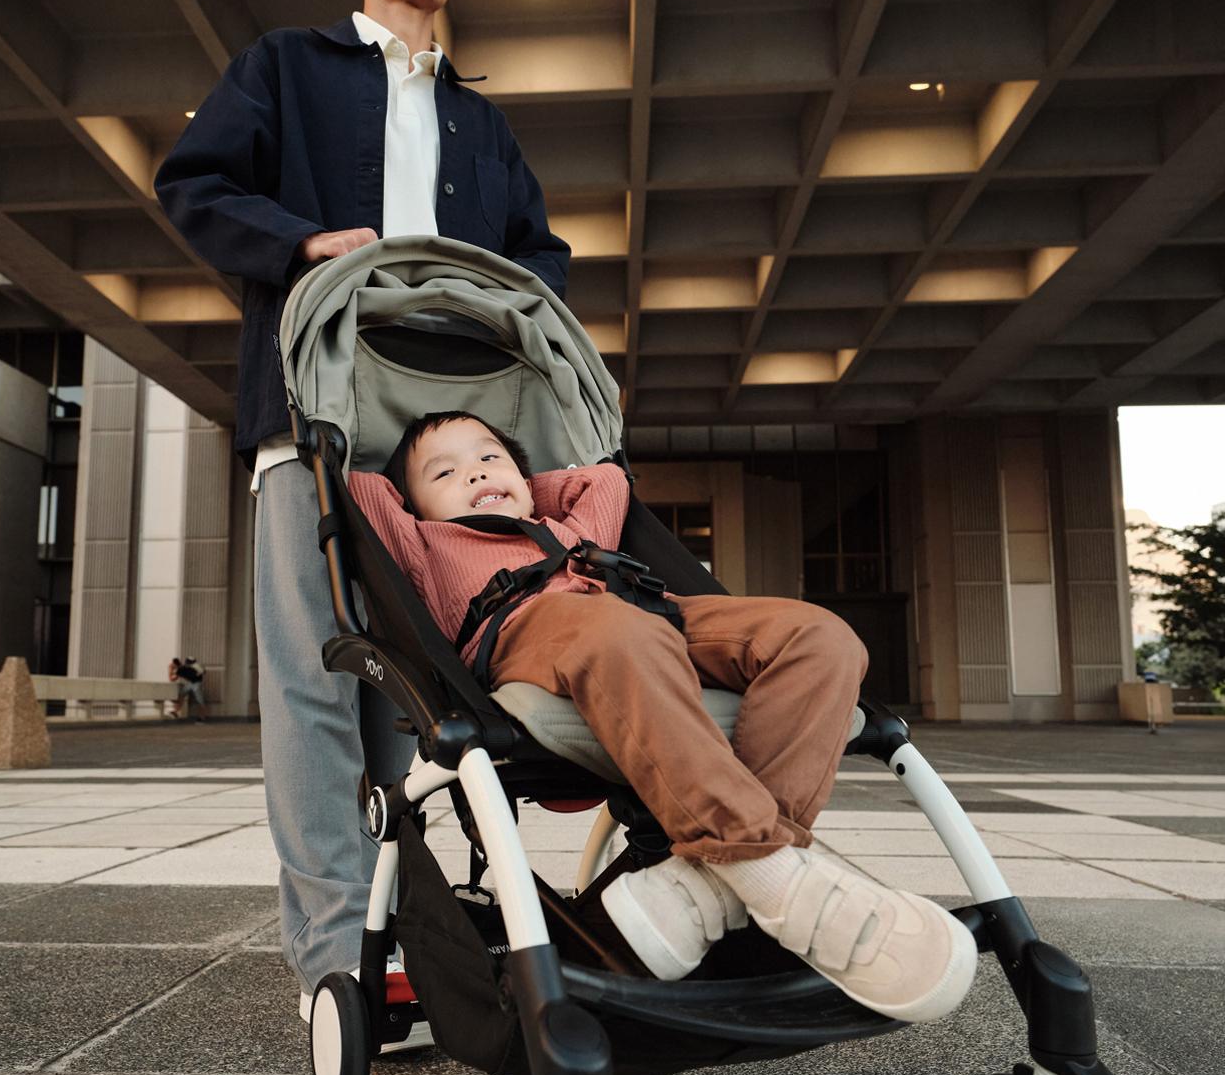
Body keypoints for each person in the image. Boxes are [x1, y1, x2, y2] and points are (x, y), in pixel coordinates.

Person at [154, 0, 569, 1033]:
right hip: (313, 413)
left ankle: (412, 936)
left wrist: (502, 313)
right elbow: (193, 182)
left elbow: (542, 257)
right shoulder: (285, 66)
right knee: (313, 684)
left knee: (421, 691)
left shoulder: (480, 122)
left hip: (442, 432)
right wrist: (297, 242)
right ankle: (338, 954)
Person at [349, 411, 977, 1022]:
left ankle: (717, 881)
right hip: (530, 631)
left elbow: (607, 479)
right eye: (444, 472)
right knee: (617, 630)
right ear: (415, 506)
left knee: (822, 638)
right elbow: (363, 492)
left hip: (653, 615)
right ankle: (771, 873)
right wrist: (418, 482)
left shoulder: (569, 528)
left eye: (490, 456)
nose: (476, 472)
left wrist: (527, 488)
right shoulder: (421, 544)